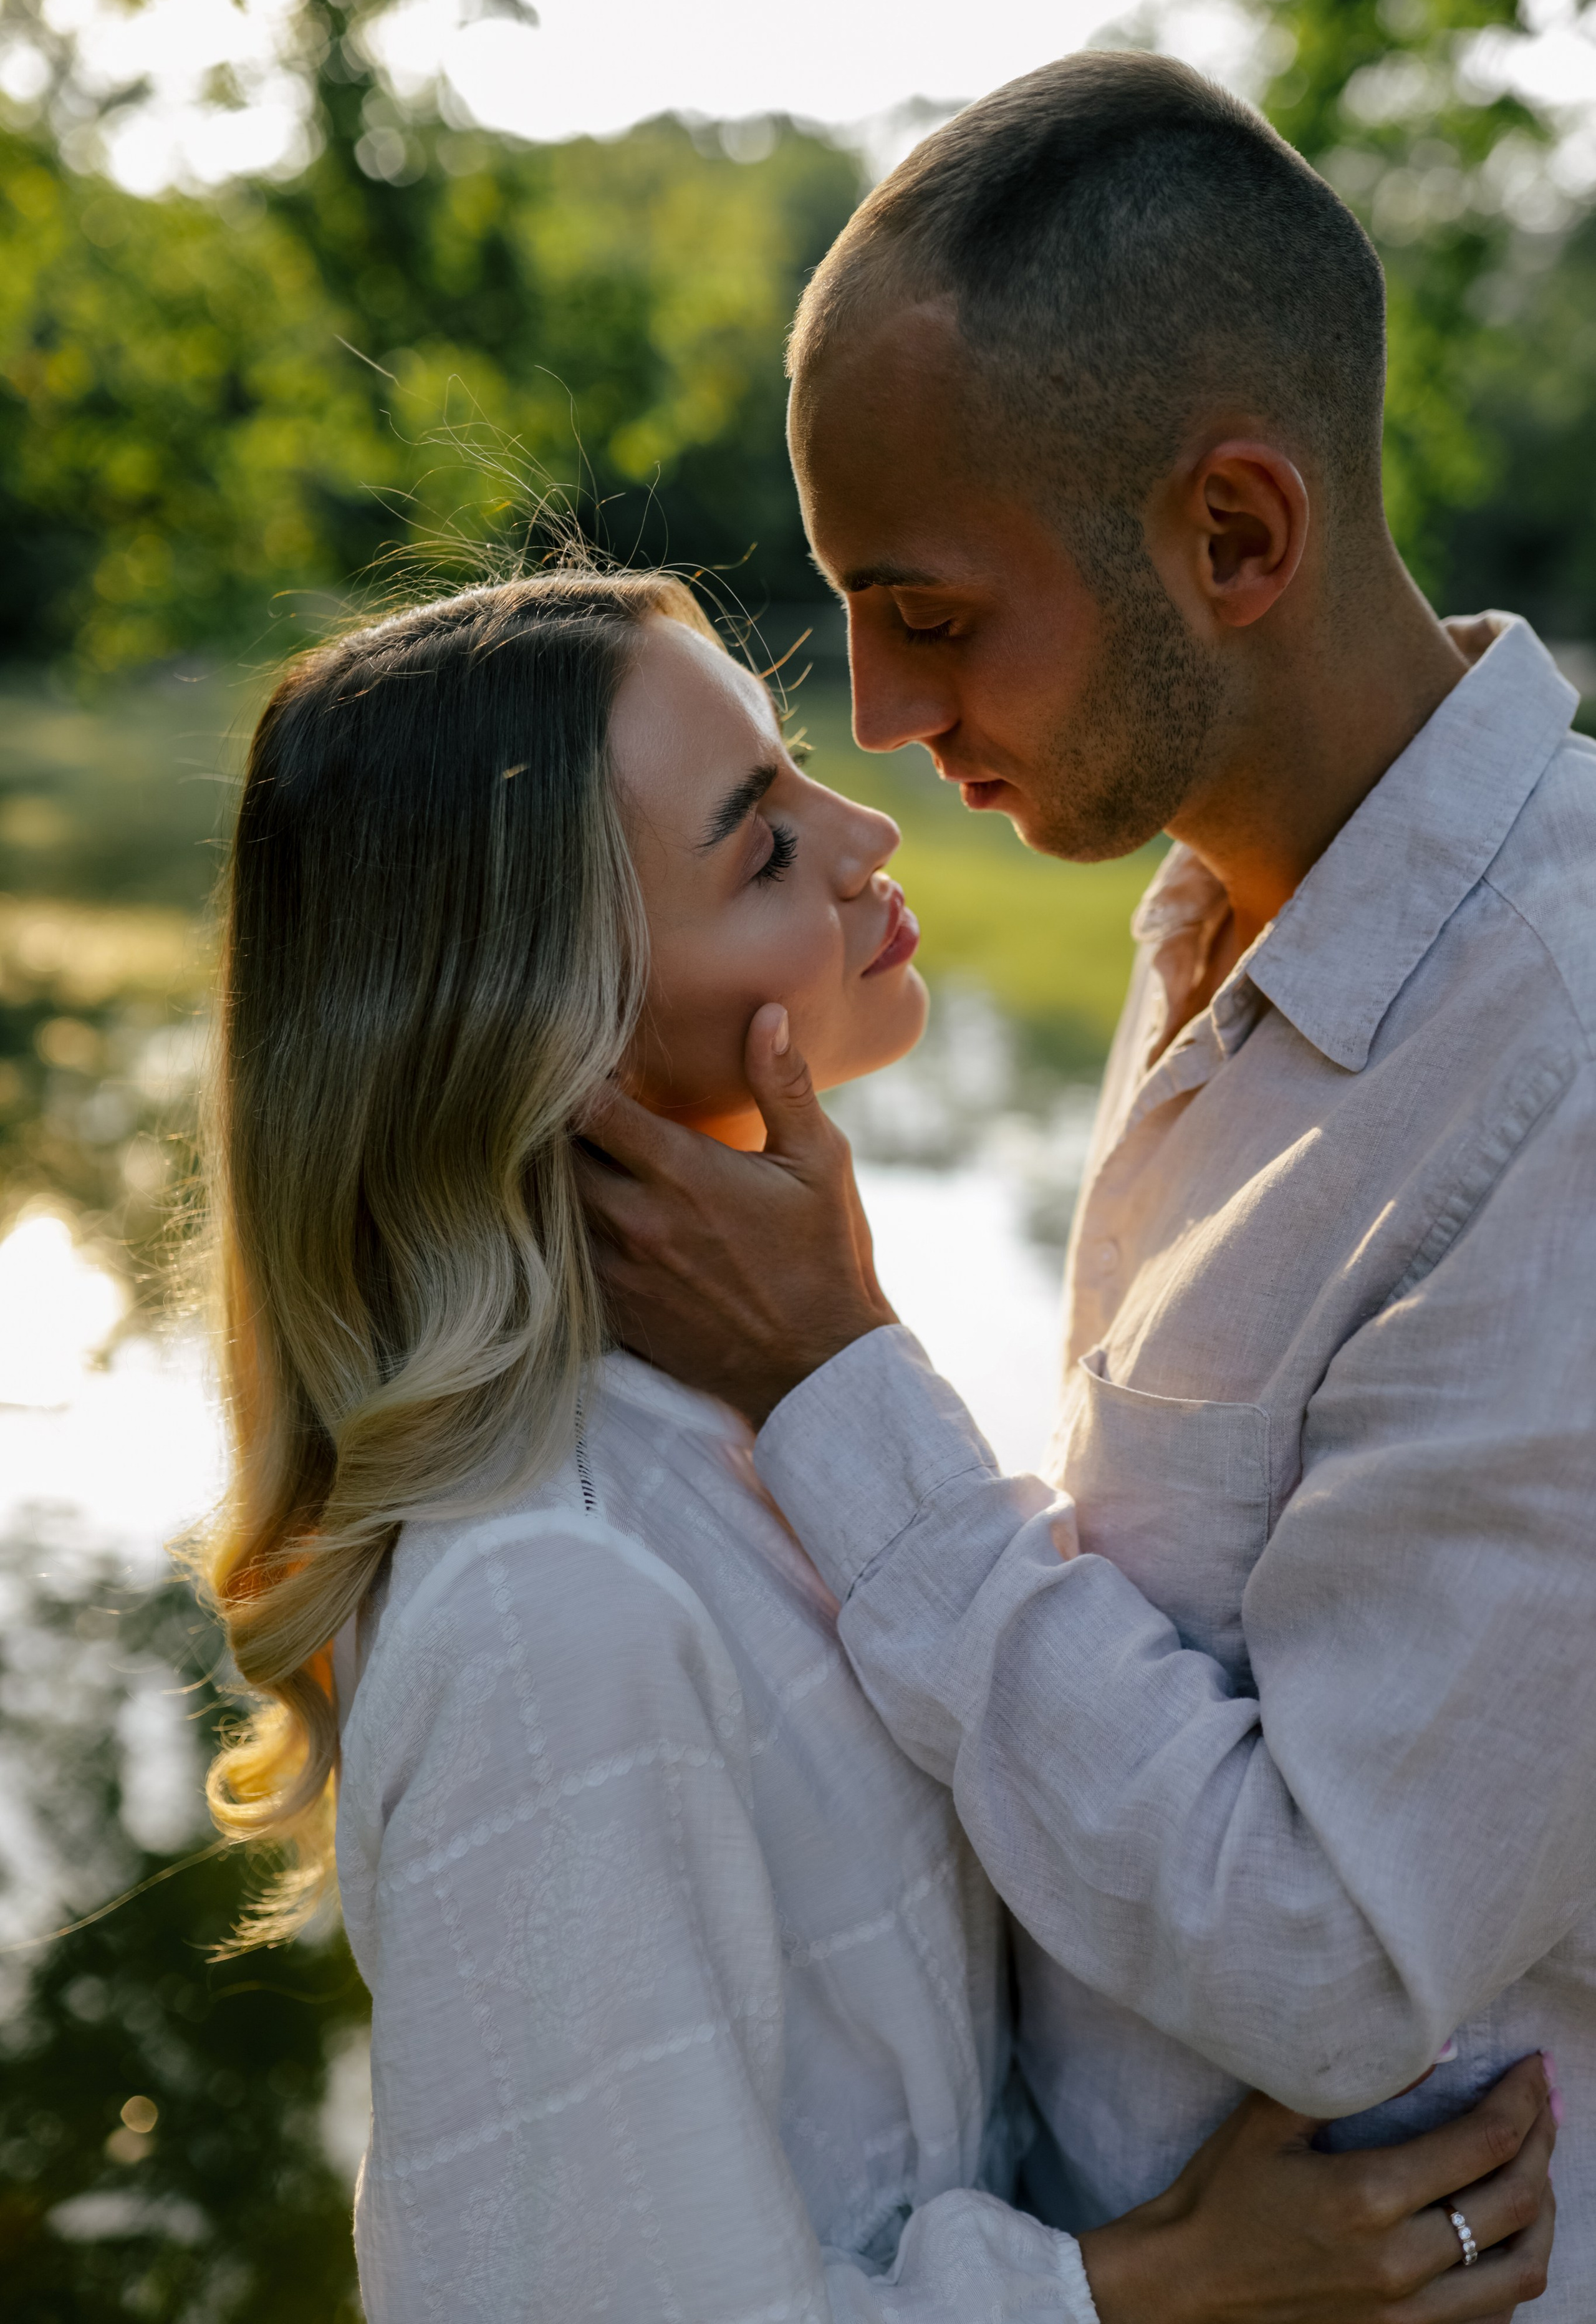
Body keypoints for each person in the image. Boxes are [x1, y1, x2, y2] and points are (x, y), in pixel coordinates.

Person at [190, 572, 1554, 2322]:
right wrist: (1146, 2288)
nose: (864, 832)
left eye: (801, 769)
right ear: (540, 1030)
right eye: (759, 850)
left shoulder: (746, 1425)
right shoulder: (545, 1611)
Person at [577, 54, 1596, 2315]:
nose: (878, 718)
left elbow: (1340, 1959)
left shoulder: (1565, 1068)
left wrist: (844, 1380)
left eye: (928, 616)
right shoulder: (1216, 918)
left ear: (1235, 538)